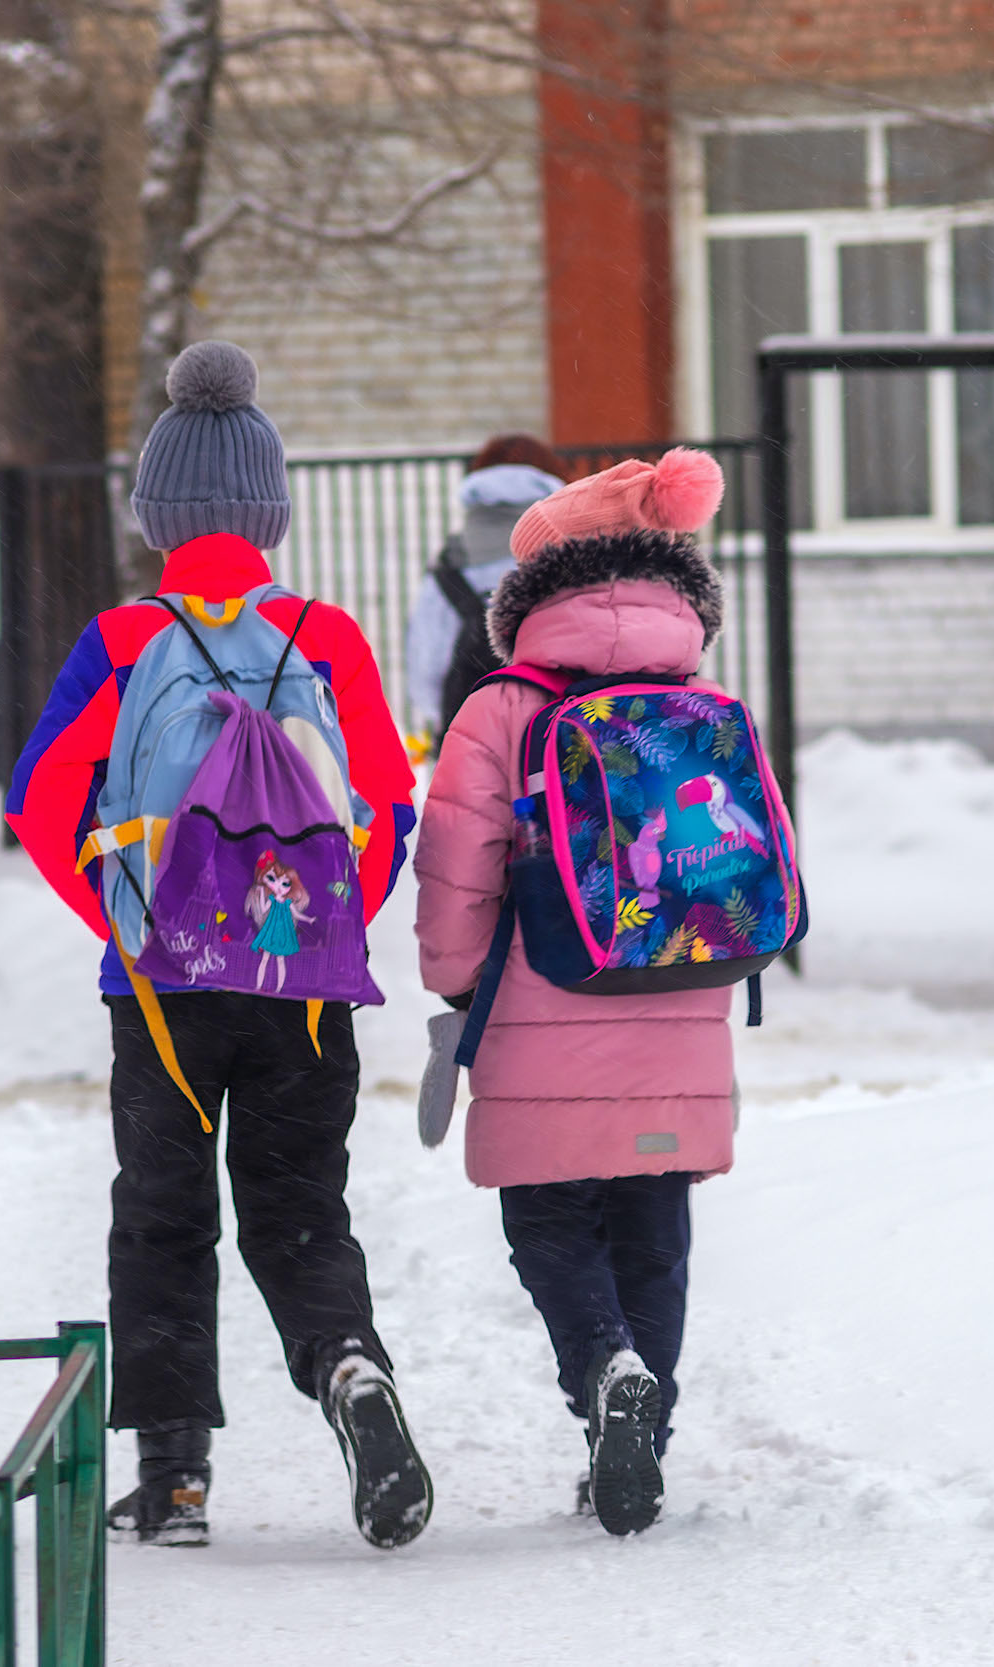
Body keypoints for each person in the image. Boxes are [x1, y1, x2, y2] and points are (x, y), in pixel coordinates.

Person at [6, 340, 429, 1552]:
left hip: (163, 988)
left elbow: (41, 800)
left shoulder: (123, 638)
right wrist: (318, 922)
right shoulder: (324, 635)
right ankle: (347, 1364)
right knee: (300, 1205)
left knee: (162, 1212)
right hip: (301, 986)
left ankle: (177, 1476)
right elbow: (388, 804)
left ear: (156, 516)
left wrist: (127, 920)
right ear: (270, 513)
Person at [412, 448, 735, 1536]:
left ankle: (604, 1372)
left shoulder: (500, 707)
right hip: (681, 996)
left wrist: (455, 986)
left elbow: (458, 861)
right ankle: (639, 1440)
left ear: (532, 593)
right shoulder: (704, 700)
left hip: (539, 995)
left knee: (548, 1215)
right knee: (653, 1221)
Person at [401, 435, 568, 749]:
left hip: (475, 732)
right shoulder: (577, 552)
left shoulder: (453, 561)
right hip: (563, 728)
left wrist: (441, 713)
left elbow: (427, 659)